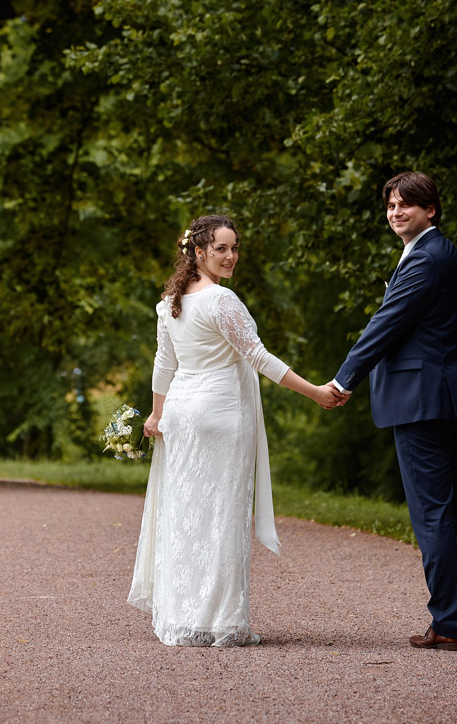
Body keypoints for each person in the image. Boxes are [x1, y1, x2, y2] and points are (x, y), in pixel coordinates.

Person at [128, 214, 343, 646]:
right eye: (221, 249)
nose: (231, 257)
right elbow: (260, 358)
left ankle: (185, 617)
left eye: (235, 248)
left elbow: (164, 366)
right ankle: (222, 621)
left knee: (187, 514)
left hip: (184, 414)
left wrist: (157, 414)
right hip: (222, 414)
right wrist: (315, 392)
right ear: (199, 252)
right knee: (222, 516)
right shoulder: (221, 301)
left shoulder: (170, 301)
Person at [330, 172, 457, 651]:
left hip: (425, 403)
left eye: (407, 205)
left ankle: (445, 624)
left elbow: (387, 324)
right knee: (454, 513)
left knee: (434, 515)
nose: (396, 213)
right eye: (391, 206)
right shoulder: (447, 255)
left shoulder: (425, 258)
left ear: (430, 210)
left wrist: (342, 381)